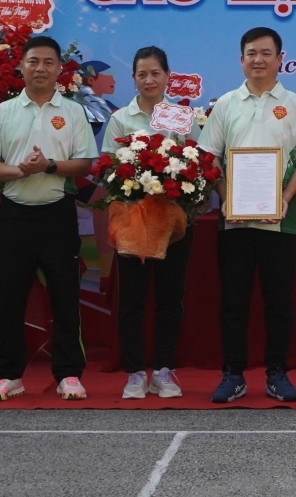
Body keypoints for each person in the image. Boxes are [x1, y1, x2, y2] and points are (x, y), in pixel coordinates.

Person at [198, 27, 296, 404]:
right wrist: (224, 194)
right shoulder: (227, 104)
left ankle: (277, 373)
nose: (258, 59)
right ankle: (233, 373)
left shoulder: (295, 104)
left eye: (266, 53)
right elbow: (209, 156)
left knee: (278, 301)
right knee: (234, 300)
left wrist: (284, 196)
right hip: (234, 221)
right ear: (241, 59)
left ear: (280, 58)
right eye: (251, 53)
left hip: (280, 220)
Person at [0, 35, 99, 401]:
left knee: (65, 296)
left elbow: (84, 163)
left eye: (48, 62)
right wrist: (19, 171)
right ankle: (8, 374)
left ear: (60, 68)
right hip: (14, 214)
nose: (41, 68)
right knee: (11, 296)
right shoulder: (3, 112)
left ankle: (68, 374)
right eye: (34, 61)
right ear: (21, 66)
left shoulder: (73, 112)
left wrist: (47, 166)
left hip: (58, 213)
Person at [102, 46, 202, 400]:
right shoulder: (120, 119)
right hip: (132, 222)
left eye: (155, 73)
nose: (149, 80)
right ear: (133, 78)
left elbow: (197, 164)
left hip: (172, 223)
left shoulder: (179, 116)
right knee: (132, 300)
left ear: (167, 77)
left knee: (170, 298)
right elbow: (107, 170)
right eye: (142, 74)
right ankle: (134, 372)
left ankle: (163, 370)